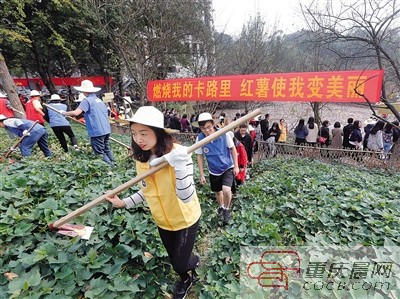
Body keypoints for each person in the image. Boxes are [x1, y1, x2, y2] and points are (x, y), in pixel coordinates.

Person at [105, 106, 201, 299]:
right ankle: (189, 266)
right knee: (175, 259)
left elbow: (186, 196)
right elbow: (147, 189)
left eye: (144, 133)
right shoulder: (142, 159)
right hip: (162, 220)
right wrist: (124, 203)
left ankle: (187, 275)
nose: (138, 139)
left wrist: (180, 166)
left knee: (179, 263)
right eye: (134, 134)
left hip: (185, 218)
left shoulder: (181, 153)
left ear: (158, 132)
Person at [192, 112, 239, 225]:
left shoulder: (223, 134)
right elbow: (199, 156)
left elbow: (232, 149)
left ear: (213, 124)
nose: (207, 130)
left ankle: (227, 209)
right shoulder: (200, 139)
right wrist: (202, 174)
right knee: (218, 192)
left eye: (209, 127)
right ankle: (221, 207)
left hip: (227, 166)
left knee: (226, 190)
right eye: (203, 128)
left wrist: (236, 166)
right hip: (214, 170)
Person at [63, 80, 115, 166]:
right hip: (106, 129)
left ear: (84, 91)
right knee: (106, 149)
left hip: (97, 131)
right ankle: (114, 164)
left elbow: (76, 113)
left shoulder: (86, 101)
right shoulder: (98, 100)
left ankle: (110, 168)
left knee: (99, 152)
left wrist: (64, 113)